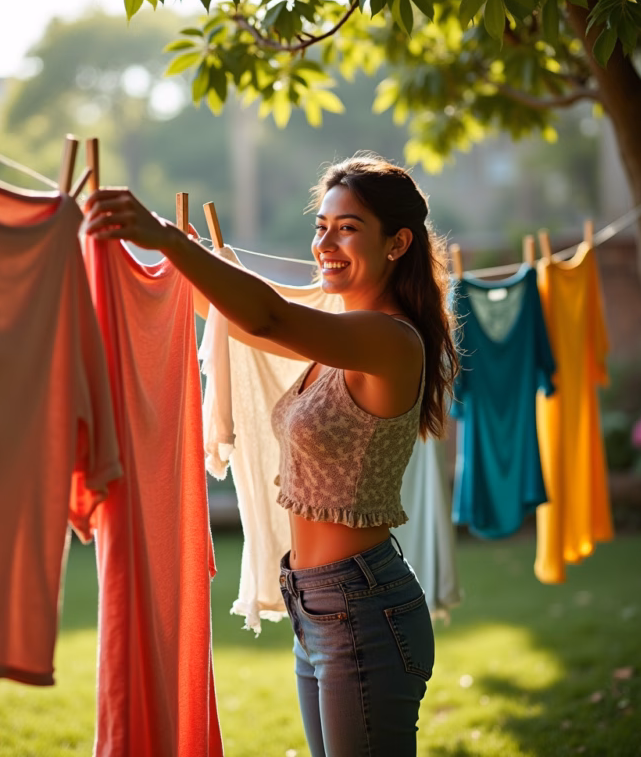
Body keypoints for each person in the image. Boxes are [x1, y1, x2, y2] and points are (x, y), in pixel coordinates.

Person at [84, 153, 459, 756]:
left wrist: (166, 241)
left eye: (349, 227)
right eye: (322, 226)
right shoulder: (341, 329)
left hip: (361, 610)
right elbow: (239, 323)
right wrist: (166, 259)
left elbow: (266, 314)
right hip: (317, 606)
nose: (326, 242)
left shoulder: (389, 339)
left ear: (398, 243)